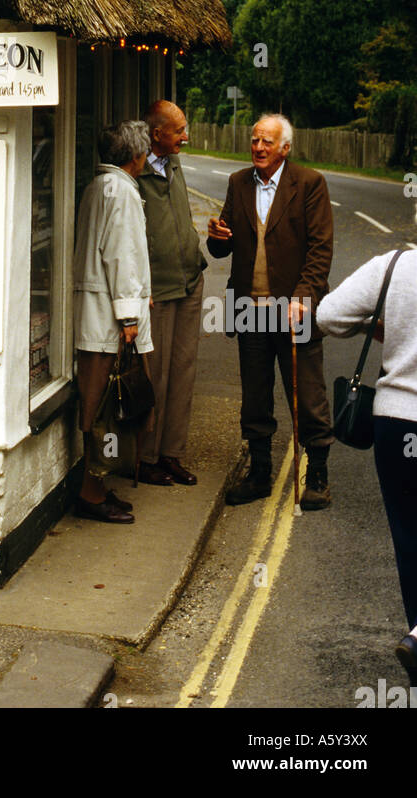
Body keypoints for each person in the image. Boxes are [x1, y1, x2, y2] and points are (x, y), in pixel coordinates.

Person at [206, 113, 334, 508]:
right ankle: (260, 473)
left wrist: (302, 297)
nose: (258, 147)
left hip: (294, 308)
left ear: (285, 148)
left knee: (307, 395)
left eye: (267, 142)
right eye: (255, 140)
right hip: (251, 308)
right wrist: (216, 237)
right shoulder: (238, 183)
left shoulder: (309, 184)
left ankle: (317, 477)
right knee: (255, 397)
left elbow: (320, 250)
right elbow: (222, 247)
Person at [316, 243, 417, 681]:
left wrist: (384, 329)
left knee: (410, 542)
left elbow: (328, 315)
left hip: (396, 423)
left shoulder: (394, 266)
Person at [73, 120, 153, 524]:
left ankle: (100, 487)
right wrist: (129, 316)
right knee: (103, 409)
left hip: (98, 314)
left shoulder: (99, 185)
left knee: (100, 404)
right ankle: (91, 493)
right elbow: (121, 256)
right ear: (136, 156)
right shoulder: (120, 190)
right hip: (108, 320)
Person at [134, 99, 206, 485]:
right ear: (156, 134)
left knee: (183, 372)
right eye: (178, 131)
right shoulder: (136, 170)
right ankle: (144, 458)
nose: (185, 136)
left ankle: (171, 454)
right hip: (157, 289)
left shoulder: (174, 163)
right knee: (154, 375)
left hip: (189, 281)